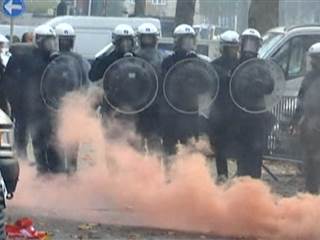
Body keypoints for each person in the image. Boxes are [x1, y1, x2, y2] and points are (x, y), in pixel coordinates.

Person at [4, 24, 61, 172]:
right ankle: (21, 165)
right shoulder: (25, 57)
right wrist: (14, 101)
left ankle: (43, 167)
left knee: (42, 137)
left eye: (52, 40)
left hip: (44, 105)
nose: (50, 44)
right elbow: (11, 80)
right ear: (39, 40)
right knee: (22, 136)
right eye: (47, 40)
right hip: (24, 104)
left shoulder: (52, 59)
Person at [233, 28, 275, 178]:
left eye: (253, 44)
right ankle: (243, 187)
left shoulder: (262, 66)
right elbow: (232, 87)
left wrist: (260, 84)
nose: (250, 47)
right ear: (242, 44)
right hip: (240, 116)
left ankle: (255, 187)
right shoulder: (236, 65)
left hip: (257, 115)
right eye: (247, 43)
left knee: (256, 155)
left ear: (258, 46)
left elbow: (270, 86)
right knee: (242, 155)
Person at [55, 22, 90, 172]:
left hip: (68, 104)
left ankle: (69, 168)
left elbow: (86, 81)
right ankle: (65, 169)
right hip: (58, 104)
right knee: (62, 138)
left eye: (67, 39)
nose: (65, 43)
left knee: (70, 138)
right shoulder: (53, 58)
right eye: (63, 39)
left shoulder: (76, 59)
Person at [160, 24, 200, 156]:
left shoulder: (197, 62)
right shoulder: (168, 62)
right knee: (169, 149)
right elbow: (164, 84)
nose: (188, 44)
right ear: (177, 41)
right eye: (185, 40)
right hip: (170, 112)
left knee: (189, 149)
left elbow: (204, 83)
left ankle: (188, 175)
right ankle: (168, 175)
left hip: (190, 112)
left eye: (190, 40)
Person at [208, 30, 240, 181]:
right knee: (219, 146)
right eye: (229, 48)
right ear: (223, 48)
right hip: (219, 111)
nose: (233, 51)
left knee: (240, 144)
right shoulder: (214, 66)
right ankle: (222, 175)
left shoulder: (242, 66)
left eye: (235, 47)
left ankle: (241, 175)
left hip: (237, 112)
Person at [291, 43, 320, 194]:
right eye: (313, 58)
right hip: (310, 128)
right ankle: (311, 196)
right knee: (310, 164)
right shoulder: (308, 78)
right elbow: (301, 101)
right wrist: (295, 121)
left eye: (317, 59)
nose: (314, 62)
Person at [135, 23, 164, 152]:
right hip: (139, 106)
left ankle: (152, 170)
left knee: (153, 141)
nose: (147, 41)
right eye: (145, 38)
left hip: (152, 105)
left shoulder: (162, 57)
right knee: (140, 141)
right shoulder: (133, 56)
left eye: (149, 38)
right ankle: (143, 170)